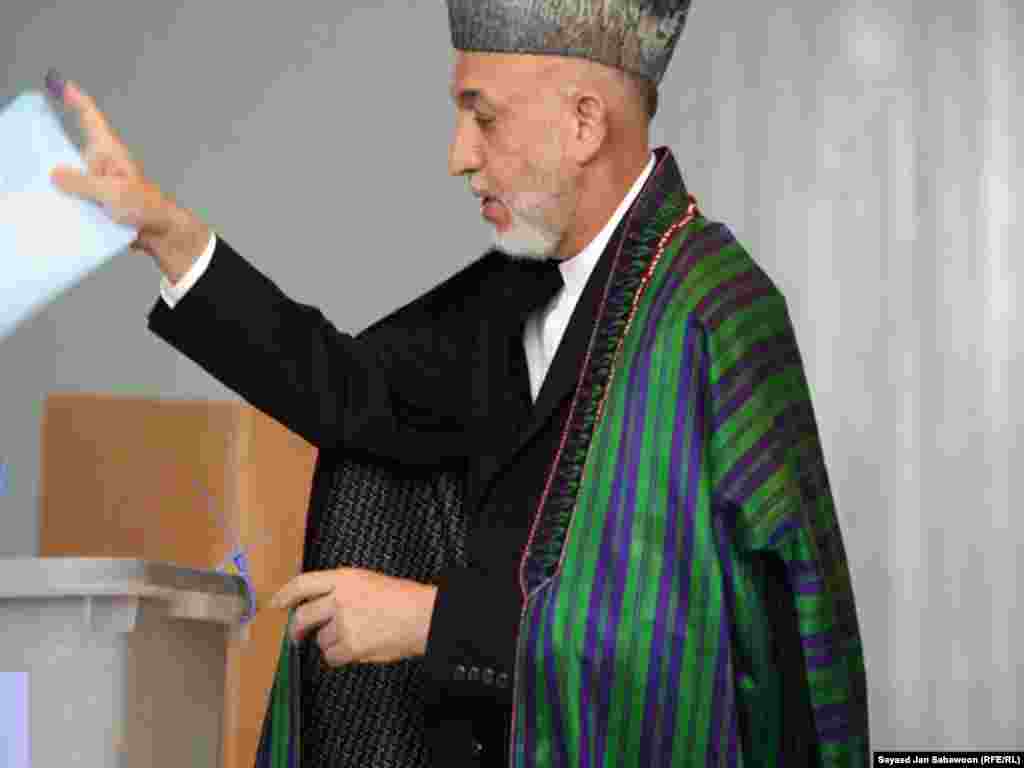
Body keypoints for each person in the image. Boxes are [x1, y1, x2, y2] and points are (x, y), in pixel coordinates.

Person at [49, 1, 869, 765]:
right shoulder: (509, 294)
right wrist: (165, 232)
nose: (457, 155)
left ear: (584, 122)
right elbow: (349, 393)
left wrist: (429, 622)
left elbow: (710, 651)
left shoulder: (718, 312)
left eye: (483, 115)